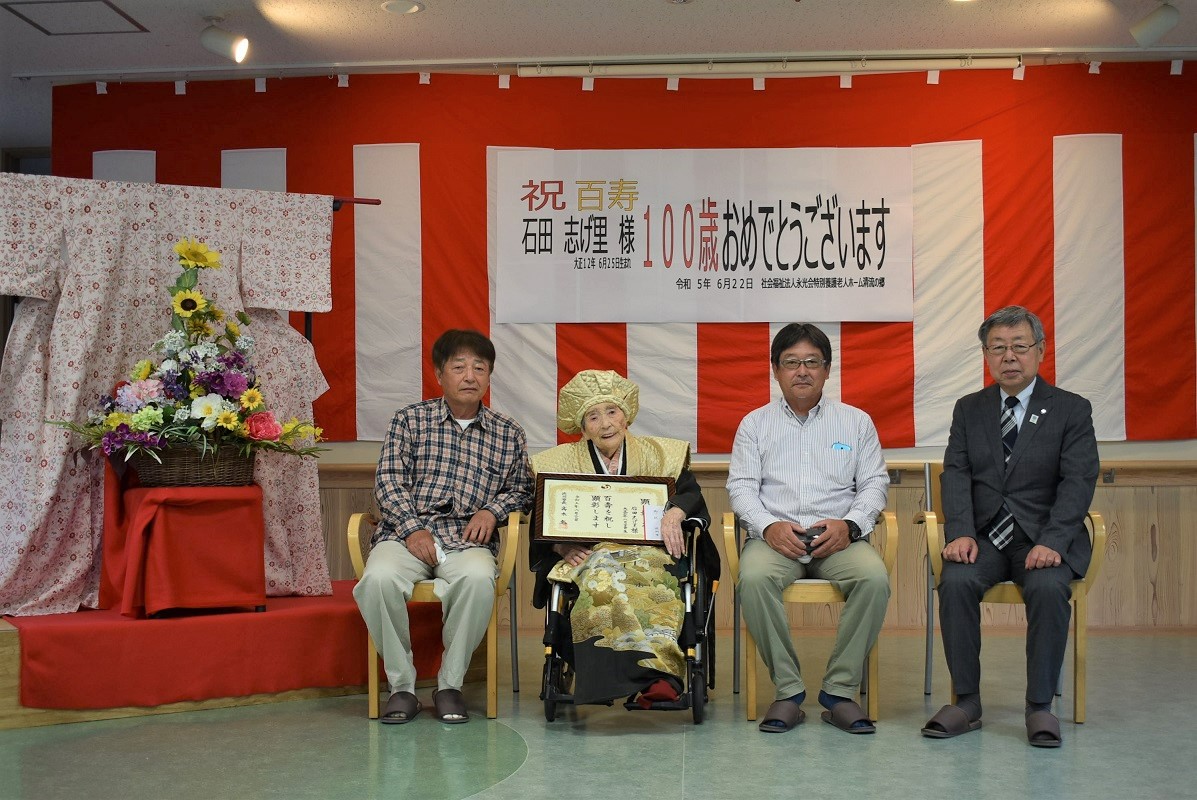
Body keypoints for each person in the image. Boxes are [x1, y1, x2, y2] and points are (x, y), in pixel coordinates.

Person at [921, 305, 1098, 748]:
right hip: (983, 538)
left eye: (1019, 346)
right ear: (986, 355)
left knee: (1048, 588)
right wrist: (960, 531)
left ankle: (1039, 707)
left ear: (1040, 350)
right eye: (998, 348)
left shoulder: (1071, 409)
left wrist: (1054, 540)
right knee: (955, 581)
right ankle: (967, 702)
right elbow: (956, 473)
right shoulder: (969, 409)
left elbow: (1078, 481)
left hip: (1042, 540)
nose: (1009, 357)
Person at [353, 329, 532, 725]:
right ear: (439, 374)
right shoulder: (409, 420)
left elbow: (523, 490)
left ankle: (450, 685)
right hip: (404, 535)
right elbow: (388, 481)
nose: (470, 376)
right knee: (378, 579)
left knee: (478, 578)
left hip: (467, 540)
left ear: (489, 376)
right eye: (459, 367)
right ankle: (402, 687)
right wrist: (412, 528)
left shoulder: (508, 432)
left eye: (479, 368)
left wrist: (492, 511)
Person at [727, 323, 890, 734]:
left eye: (812, 362)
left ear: (828, 369)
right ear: (775, 370)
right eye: (791, 362)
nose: (802, 371)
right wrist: (768, 526)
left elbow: (874, 484)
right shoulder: (754, 424)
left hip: (838, 539)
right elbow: (741, 488)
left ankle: (839, 692)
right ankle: (788, 692)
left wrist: (850, 525)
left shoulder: (856, 422)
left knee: (873, 579)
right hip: (775, 540)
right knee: (754, 579)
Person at [529, 369, 716, 706]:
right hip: (592, 554)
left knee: (659, 584)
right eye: (593, 416)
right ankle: (616, 678)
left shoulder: (660, 455)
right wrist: (561, 545)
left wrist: (675, 511)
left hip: (651, 553)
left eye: (612, 412)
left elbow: (690, 494)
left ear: (626, 416)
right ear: (583, 427)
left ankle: (660, 678)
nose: (605, 424)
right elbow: (545, 519)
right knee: (603, 578)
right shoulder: (561, 462)